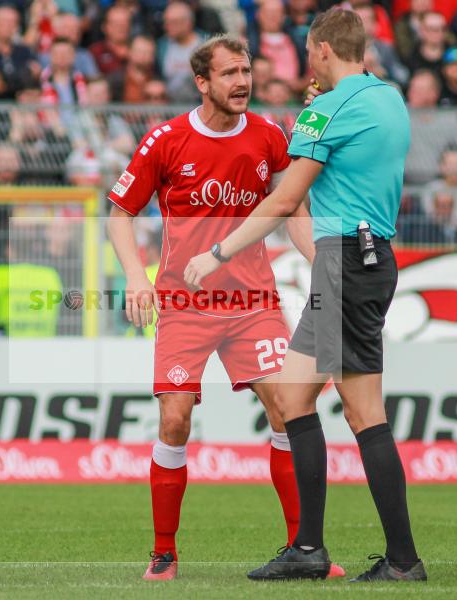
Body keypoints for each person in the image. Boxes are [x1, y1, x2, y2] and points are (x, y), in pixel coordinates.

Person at [184, 8, 426, 582]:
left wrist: (216, 253)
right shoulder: (388, 98)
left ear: (319, 49)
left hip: (345, 260)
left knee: (362, 412)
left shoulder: (324, 110)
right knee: (295, 399)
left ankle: (395, 560)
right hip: (368, 258)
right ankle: (315, 549)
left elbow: (283, 199)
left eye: (309, 52)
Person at [106, 34, 345, 582]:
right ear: (203, 82)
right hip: (185, 307)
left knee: (289, 410)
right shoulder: (165, 140)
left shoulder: (268, 136)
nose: (243, 81)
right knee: (174, 420)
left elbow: (293, 208)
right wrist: (135, 278)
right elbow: (119, 212)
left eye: (247, 71)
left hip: (252, 303)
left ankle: (303, 548)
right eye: (230, 72)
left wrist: (319, 264)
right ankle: (163, 552)